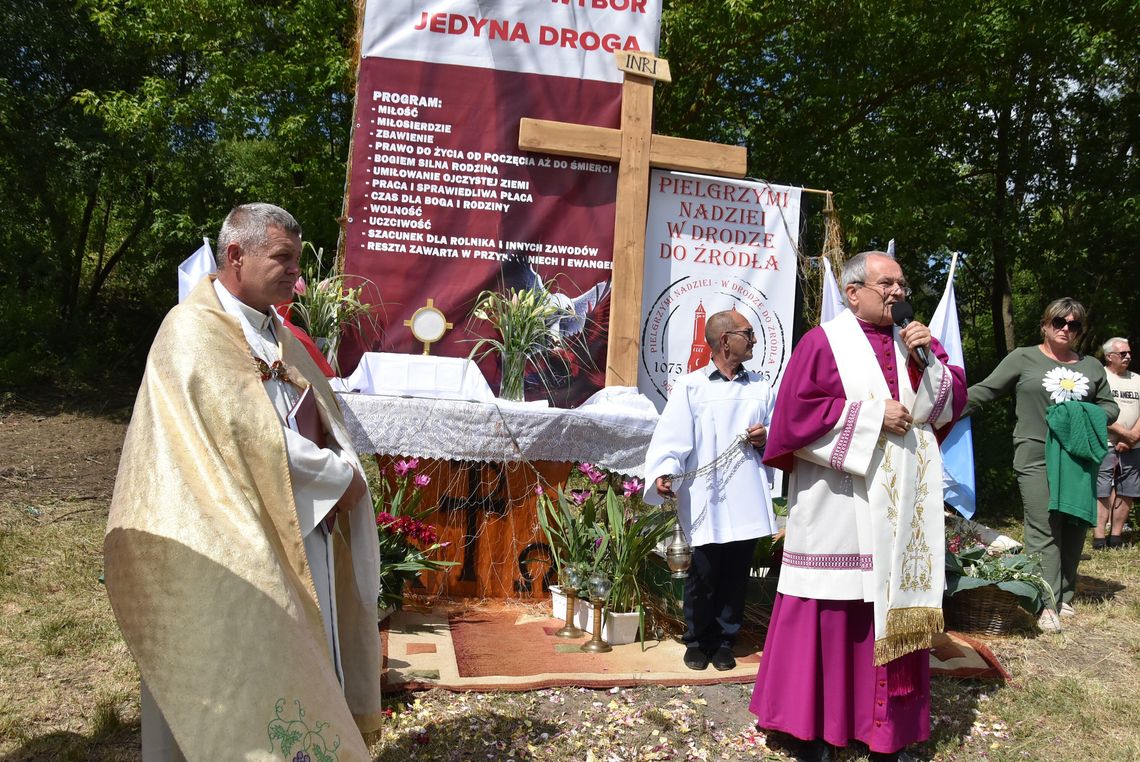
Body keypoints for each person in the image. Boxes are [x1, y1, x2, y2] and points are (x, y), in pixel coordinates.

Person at [105, 203, 382, 761]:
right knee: (231, 653)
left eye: (297, 262)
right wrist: (337, 476)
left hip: (301, 522)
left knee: (292, 657)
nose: (295, 275)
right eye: (282, 259)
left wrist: (340, 469)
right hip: (224, 533)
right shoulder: (191, 330)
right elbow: (243, 433)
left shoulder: (278, 332)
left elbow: (311, 416)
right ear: (236, 255)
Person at [750, 251, 966, 761]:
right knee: (833, 608)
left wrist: (929, 362)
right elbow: (793, 417)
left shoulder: (917, 340)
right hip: (838, 502)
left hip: (901, 502)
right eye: (885, 283)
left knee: (891, 609)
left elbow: (949, 403)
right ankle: (814, 729)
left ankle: (884, 729)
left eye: (901, 282)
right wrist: (868, 417)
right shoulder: (823, 343)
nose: (898, 291)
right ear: (853, 293)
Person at [963, 298, 1117, 631]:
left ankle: (1064, 594)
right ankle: (1044, 601)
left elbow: (1110, 408)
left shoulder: (1091, 366)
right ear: (1045, 325)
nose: (1066, 329)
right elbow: (986, 391)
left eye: (1074, 325)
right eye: (1059, 322)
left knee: (1075, 523)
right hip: (1035, 454)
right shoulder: (1024, 357)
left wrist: (1079, 414)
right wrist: (939, 410)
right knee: (1043, 522)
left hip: (1079, 456)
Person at [643, 309, 778, 671]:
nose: (753, 339)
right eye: (747, 333)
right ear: (724, 340)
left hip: (745, 491)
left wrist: (767, 437)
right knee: (702, 571)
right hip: (704, 494)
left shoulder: (761, 387)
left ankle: (724, 640)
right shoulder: (692, 387)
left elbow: (780, 435)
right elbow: (672, 437)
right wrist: (665, 471)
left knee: (736, 572)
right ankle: (697, 639)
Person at [1094, 337, 1140, 549]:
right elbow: (1096, 411)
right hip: (1104, 442)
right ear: (1109, 356)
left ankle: (1116, 536)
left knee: (1127, 490)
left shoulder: (1137, 379)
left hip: (1134, 446)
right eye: (1123, 354)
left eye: (1129, 353)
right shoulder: (1099, 377)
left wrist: (1133, 438)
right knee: (1101, 489)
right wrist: (1123, 434)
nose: (1128, 356)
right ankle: (1099, 537)